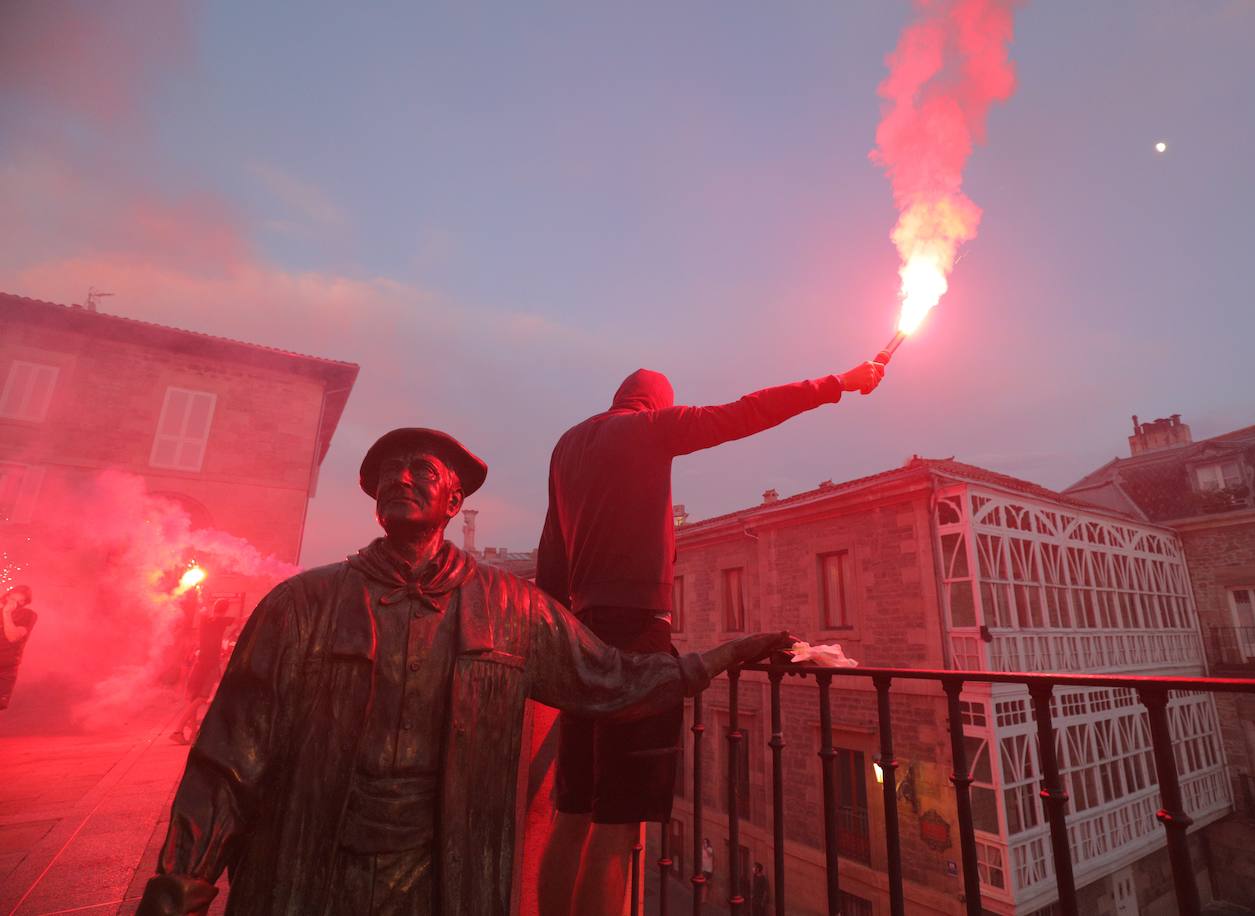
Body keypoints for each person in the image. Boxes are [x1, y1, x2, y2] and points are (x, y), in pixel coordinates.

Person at [135, 427, 789, 916]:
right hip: (308, 872)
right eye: (387, 471)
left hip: (445, 880)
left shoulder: (512, 609)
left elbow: (614, 683)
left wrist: (729, 654)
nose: (400, 477)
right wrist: (180, 885)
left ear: (454, 500)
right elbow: (228, 757)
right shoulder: (301, 605)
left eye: (422, 468)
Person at [536, 362, 884, 914]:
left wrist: (559, 641)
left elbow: (550, 555)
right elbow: (747, 412)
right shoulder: (650, 427)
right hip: (637, 640)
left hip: (578, 637)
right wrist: (838, 384)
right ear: (656, 403)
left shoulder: (567, 444)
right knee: (615, 825)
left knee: (572, 813)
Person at [169, 599, 236, 744]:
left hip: (198, 665)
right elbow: (239, 620)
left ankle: (193, 733)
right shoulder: (220, 622)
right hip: (209, 666)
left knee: (194, 699)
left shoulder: (204, 621)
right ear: (225, 610)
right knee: (201, 698)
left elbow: (202, 608)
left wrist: (201, 601)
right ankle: (178, 730)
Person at [0, 585, 37, 710]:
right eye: (12, 599)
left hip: (4, 669)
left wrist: (6, 613)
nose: (15, 604)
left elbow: (13, 637)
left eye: (20, 601)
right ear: (7, 596)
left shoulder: (28, 615)